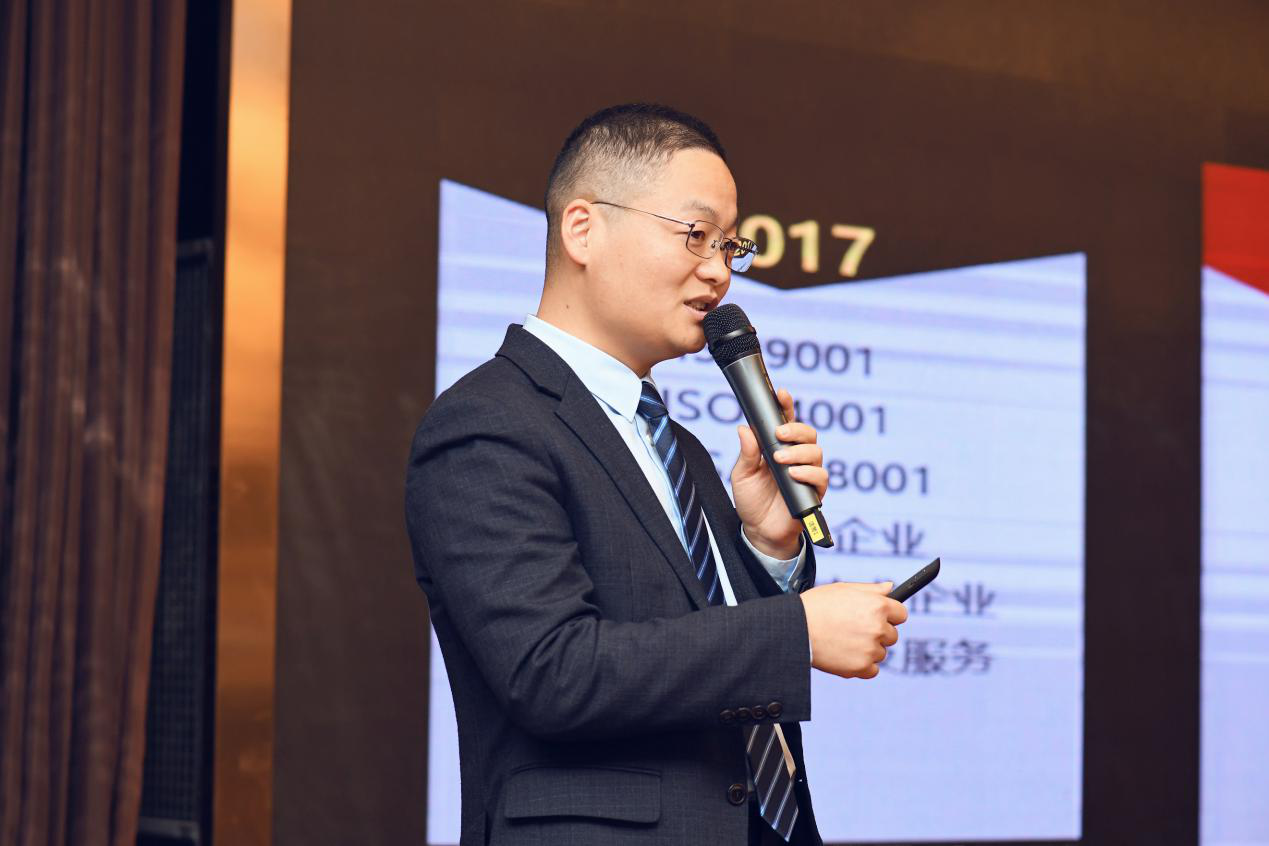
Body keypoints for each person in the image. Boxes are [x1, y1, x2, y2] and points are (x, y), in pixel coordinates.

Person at [404, 103, 909, 846]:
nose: (719, 271)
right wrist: (797, 630)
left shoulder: (678, 446)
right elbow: (553, 672)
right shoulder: (487, 424)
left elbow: (704, 653)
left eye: (730, 246)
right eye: (695, 235)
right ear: (583, 229)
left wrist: (767, 550)